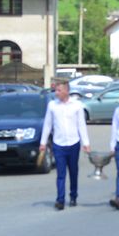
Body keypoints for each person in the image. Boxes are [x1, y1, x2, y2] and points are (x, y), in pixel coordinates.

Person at [43, 81, 90, 210]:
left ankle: (73, 195)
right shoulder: (52, 105)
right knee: (61, 174)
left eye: (59, 90)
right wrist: (43, 142)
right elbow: (48, 124)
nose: (56, 93)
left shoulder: (77, 105)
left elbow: (81, 125)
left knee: (73, 171)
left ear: (66, 91)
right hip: (59, 144)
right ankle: (60, 199)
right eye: (56, 90)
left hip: (73, 143)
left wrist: (86, 143)